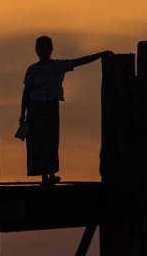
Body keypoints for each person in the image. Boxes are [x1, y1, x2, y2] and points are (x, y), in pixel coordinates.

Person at [19, 36, 112, 186]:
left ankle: (51, 173)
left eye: (43, 46)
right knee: (37, 143)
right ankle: (43, 175)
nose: (40, 50)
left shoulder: (57, 66)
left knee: (51, 140)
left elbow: (79, 61)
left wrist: (101, 54)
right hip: (35, 109)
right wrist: (22, 113)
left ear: (50, 49)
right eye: (38, 47)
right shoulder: (32, 70)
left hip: (50, 106)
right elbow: (26, 93)